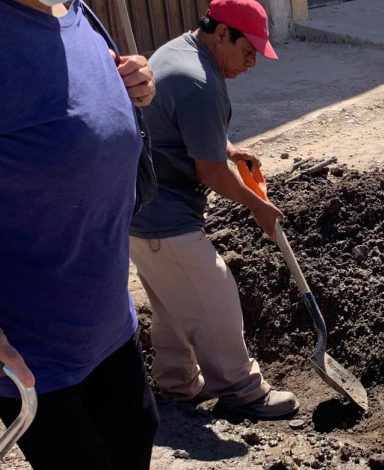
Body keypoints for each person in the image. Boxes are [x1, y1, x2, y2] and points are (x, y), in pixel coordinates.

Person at [0, 0, 159, 468]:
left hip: (108, 326)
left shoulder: (77, 12)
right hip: (32, 356)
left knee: (136, 438)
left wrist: (135, 85)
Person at [128, 0, 299, 420]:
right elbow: (210, 173)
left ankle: (177, 384)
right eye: (247, 50)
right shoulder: (200, 82)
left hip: (137, 213)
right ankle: (242, 390)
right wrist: (259, 206)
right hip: (162, 218)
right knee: (215, 294)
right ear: (221, 34)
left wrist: (228, 147)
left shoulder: (178, 51)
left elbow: (189, 132)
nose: (251, 62)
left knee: (172, 301)